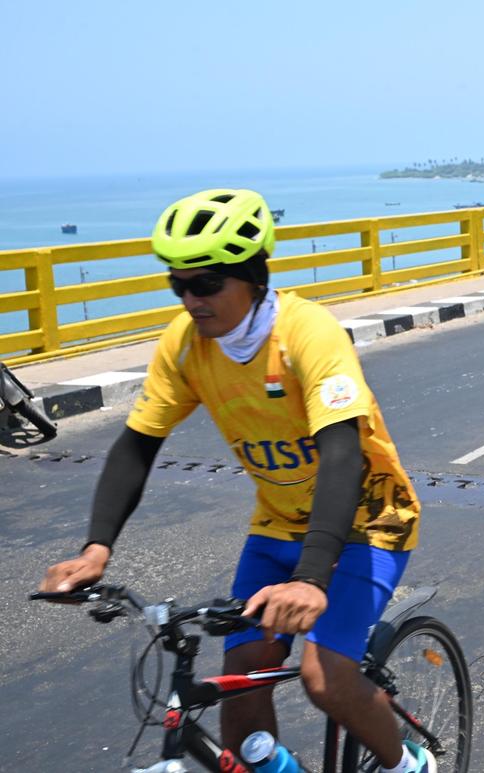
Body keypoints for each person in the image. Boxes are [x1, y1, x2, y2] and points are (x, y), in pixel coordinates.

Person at [37, 189, 432, 773]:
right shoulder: (185, 345)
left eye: (206, 283)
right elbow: (138, 444)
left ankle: (409, 764)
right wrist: (96, 548)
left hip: (369, 525)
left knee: (325, 678)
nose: (191, 300)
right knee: (241, 689)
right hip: (276, 528)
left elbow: (341, 454)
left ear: (253, 277)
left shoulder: (307, 334)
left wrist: (311, 579)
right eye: (178, 285)